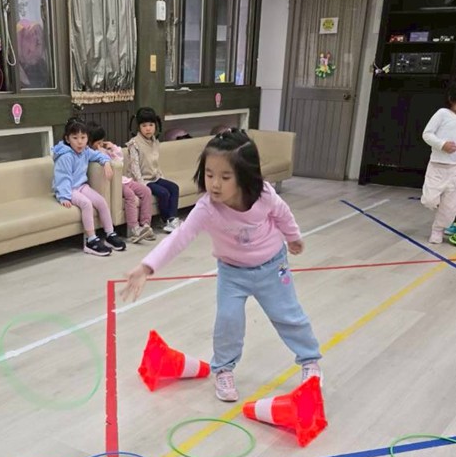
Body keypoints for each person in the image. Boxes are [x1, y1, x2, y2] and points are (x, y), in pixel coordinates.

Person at [122, 129, 322, 402]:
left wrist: (293, 236)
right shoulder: (207, 207)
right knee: (228, 321)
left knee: (287, 315)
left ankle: (310, 361)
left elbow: (282, 214)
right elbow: (180, 237)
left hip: (272, 266)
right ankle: (223, 369)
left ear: (244, 175)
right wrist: (147, 266)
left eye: (225, 177)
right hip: (232, 273)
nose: (215, 184)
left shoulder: (263, 195)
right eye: (209, 174)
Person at [52, 117, 125, 256]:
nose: (80, 142)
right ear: (67, 139)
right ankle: (91, 240)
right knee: (86, 204)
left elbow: (98, 155)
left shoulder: (85, 151)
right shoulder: (65, 156)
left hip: (81, 186)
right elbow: (62, 178)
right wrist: (64, 197)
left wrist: (106, 163)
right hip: (68, 189)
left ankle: (110, 234)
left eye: (83, 137)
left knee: (101, 201)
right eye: (75, 138)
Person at [87, 123, 155, 244]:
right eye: (97, 142)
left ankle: (145, 225)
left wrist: (112, 148)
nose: (100, 145)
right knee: (129, 194)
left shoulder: (104, 150)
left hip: (123, 180)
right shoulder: (91, 154)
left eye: (101, 141)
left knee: (146, 191)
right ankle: (134, 228)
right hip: (114, 184)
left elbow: (120, 160)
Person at [126, 107, 181, 233]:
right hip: (143, 180)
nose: (148, 129)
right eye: (144, 125)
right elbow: (135, 168)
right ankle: (165, 219)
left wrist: (161, 177)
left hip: (154, 177)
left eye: (151, 125)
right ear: (139, 127)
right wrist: (142, 185)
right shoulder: (134, 143)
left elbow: (155, 164)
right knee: (163, 193)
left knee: (174, 187)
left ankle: (172, 219)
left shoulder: (155, 142)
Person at [421, 82, 456, 243]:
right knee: (430, 199)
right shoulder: (442, 114)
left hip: (454, 169)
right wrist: (442, 145)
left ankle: (438, 231)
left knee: (449, 206)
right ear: (451, 99)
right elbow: (427, 134)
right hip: (437, 165)